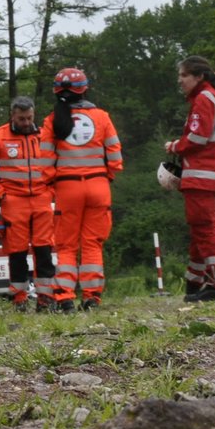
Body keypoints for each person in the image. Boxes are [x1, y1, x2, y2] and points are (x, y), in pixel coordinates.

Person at [44, 67, 124, 311]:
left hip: (67, 189)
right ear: (84, 89)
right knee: (93, 244)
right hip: (98, 185)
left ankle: (64, 297)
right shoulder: (102, 117)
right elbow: (115, 157)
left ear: (57, 91)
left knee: (66, 245)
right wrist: (104, 177)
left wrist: (53, 184)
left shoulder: (52, 120)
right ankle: (92, 297)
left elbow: (44, 162)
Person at [165, 54, 215, 302]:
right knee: (200, 230)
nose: (180, 80)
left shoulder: (204, 99)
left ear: (199, 77)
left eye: (184, 75)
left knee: (205, 231)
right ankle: (194, 284)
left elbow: (197, 138)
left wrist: (174, 146)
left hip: (202, 176)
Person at [0, 97, 57, 312]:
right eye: (21, 118)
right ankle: (19, 298)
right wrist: (2, 196)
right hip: (13, 200)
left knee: (44, 251)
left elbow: (55, 166)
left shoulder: (44, 137)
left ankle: (45, 299)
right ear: (12, 115)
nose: (26, 122)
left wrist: (51, 191)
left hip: (41, 198)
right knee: (17, 252)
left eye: (29, 118)